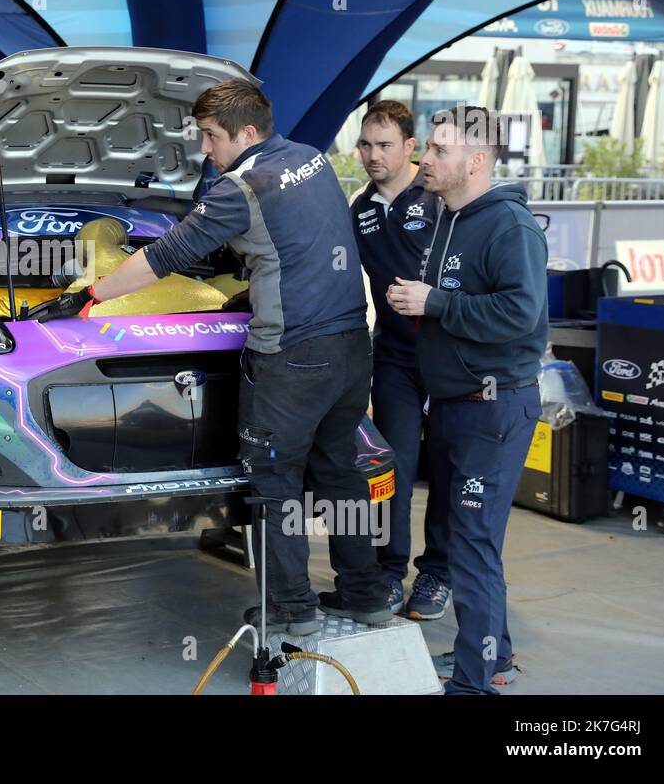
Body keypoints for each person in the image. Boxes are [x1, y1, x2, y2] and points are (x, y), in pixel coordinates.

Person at [41, 78, 391, 633]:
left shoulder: (240, 188)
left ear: (246, 132)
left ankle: (292, 611)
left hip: (292, 355)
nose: (205, 149)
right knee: (338, 470)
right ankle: (366, 595)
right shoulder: (311, 159)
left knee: (275, 482)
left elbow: (167, 255)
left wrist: (88, 296)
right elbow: (301, 239)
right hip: (350, 346)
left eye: (210, 137)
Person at [386, 105, 547, 694]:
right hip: (454, 404)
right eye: (426, 147)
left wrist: (436, 304)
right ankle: (493, 656)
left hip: (494, 408)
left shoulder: (509, 225)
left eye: (439, 150)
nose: (423, 158)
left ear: (477, 160)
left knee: (473, 545)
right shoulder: (445, 217)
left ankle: (473, 684)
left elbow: (521, 313)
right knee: (464, 537)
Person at [349, 100, 451, 620]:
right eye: (365, 144)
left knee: (452, 471)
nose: (372, 155)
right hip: (392, 356)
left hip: (452, 355)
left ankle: (437, 574)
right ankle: (389, 573)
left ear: (410, 146)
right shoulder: (360, 209)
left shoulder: (440, 198)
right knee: (394, 468)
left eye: (385, 145)